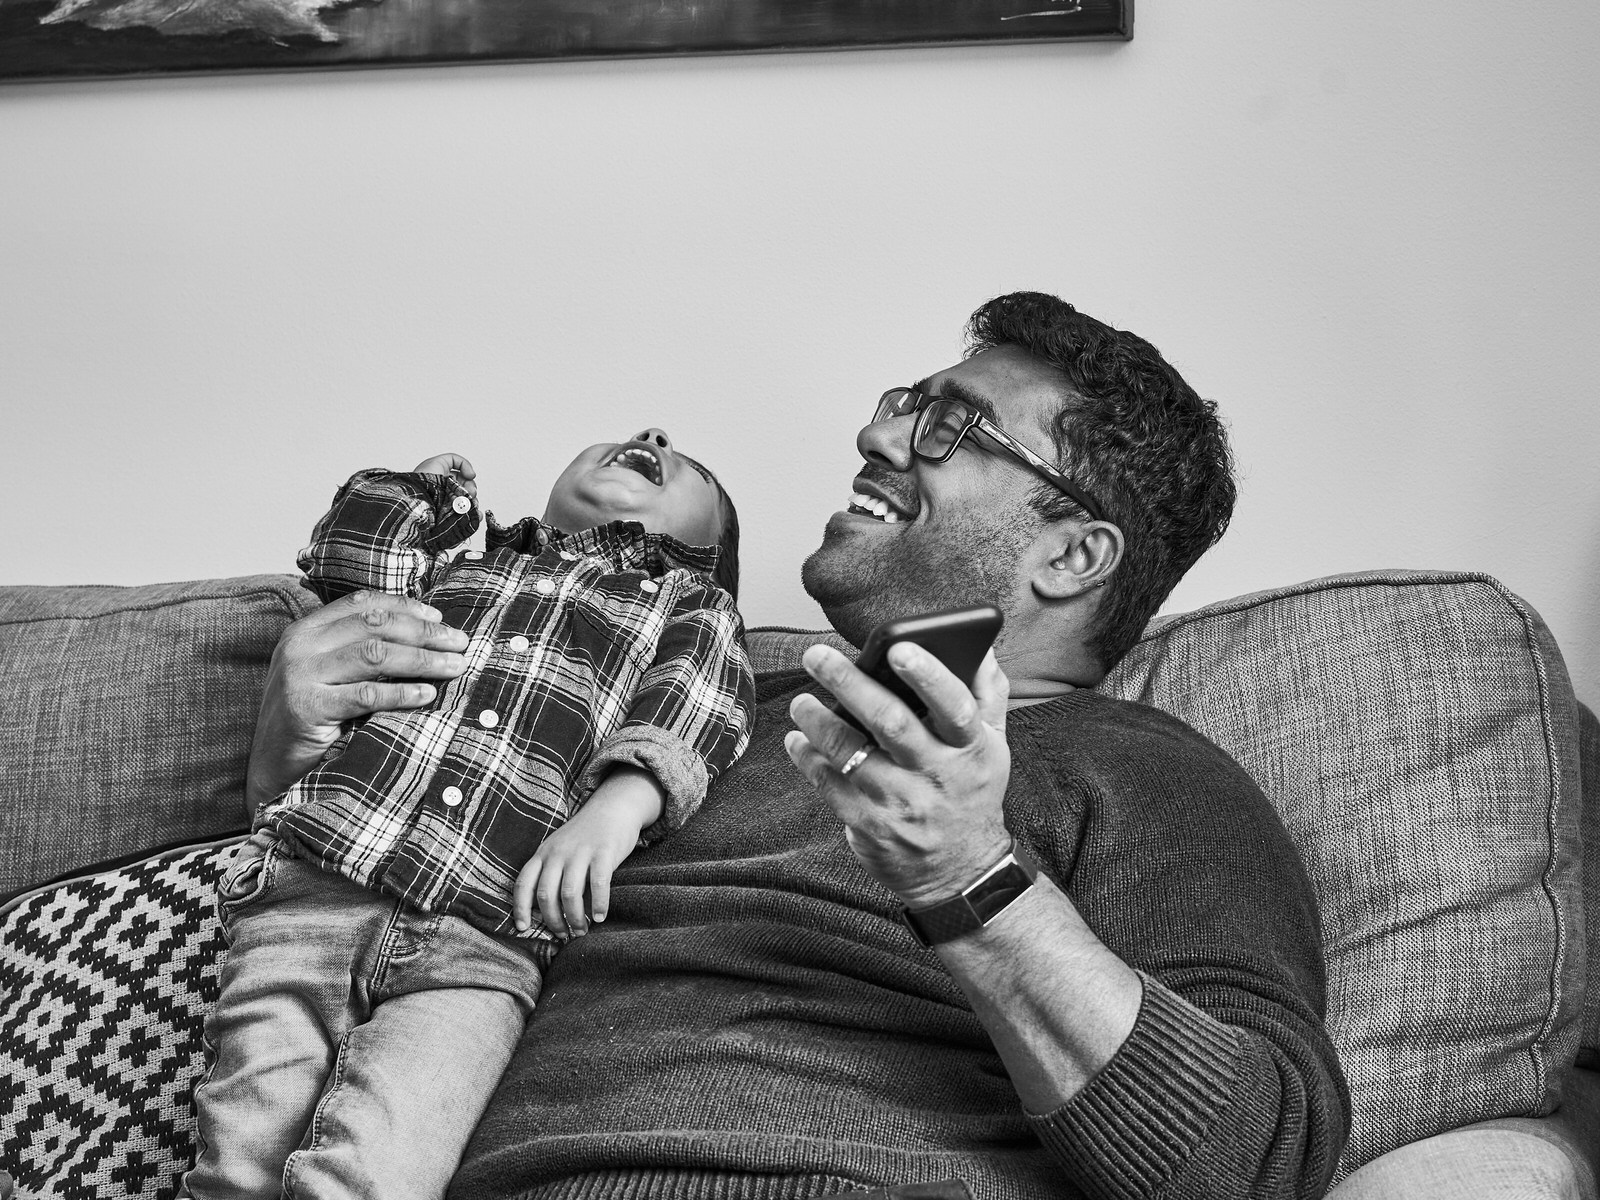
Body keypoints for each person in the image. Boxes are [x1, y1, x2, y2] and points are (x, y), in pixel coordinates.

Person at [244, 293, 1351, 1200]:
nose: (876, 438)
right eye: (904, 406)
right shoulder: (673, 707)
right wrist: (287, 747)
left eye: (950, 427)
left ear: (1071, 556)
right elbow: (377, 916)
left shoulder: (1146, 770)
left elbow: (1256, 1164)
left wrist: (969, 877)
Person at [185, 434, 756, 1200]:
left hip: (487, 940)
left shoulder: (688, 603)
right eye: (628, 434)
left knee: (380, 1166)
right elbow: (353, 562)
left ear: (711, 546)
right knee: (242, 1150)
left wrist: (618, 809)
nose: (653, 437)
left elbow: (702, 702)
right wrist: (426, 493)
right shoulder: (464, 556)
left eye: (693, 467)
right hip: (311, 890)